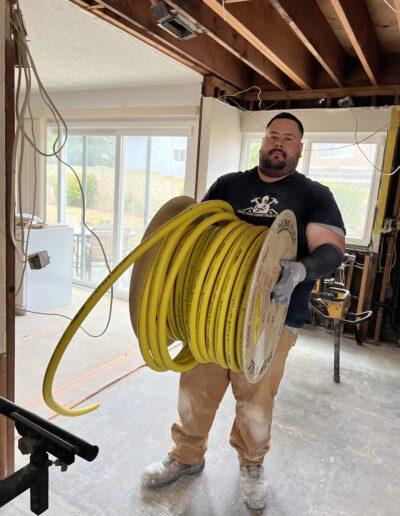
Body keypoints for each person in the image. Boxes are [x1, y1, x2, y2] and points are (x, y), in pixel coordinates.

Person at [141, 112, 345, 510]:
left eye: (288, 138)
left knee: (255, 398)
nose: (279, 143)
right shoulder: (228, 185)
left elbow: (331, 249)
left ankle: (252, 466)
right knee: (196, 388)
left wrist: (302, 268)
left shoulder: (314, 194)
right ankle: (185, 457)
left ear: (299, 149)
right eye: (273, 135)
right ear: (263, 141)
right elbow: (195, 237)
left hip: (274, 317)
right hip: (209, 315)